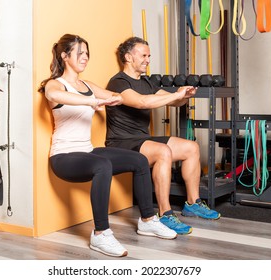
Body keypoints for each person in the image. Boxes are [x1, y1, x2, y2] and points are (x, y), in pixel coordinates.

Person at [38, 34, 177, 258]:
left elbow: (116, 96)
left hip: (87, 151)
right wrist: (92, 101)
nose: (85, 57)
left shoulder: (87, 85)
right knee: (102, 165)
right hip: (64, 157)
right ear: (65, 56)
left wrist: (117, 98)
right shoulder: (56, 84)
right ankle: (100, 233)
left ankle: (148, 220)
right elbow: (55, 95)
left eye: (86, 53)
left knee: (140, 161)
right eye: (79, 53)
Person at [105, 36, 221, 235]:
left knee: (191, 147)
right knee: (163, 151)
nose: (148, 59)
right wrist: (175, 95)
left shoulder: (146, 82)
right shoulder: (118, 83)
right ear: (128, 57)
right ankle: (165, 213)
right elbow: (142, 102)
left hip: (142, 140)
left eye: (149, 55)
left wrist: (183, 95)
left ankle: (193, 203)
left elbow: (171, 102)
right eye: (143, 55)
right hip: (121, 143)